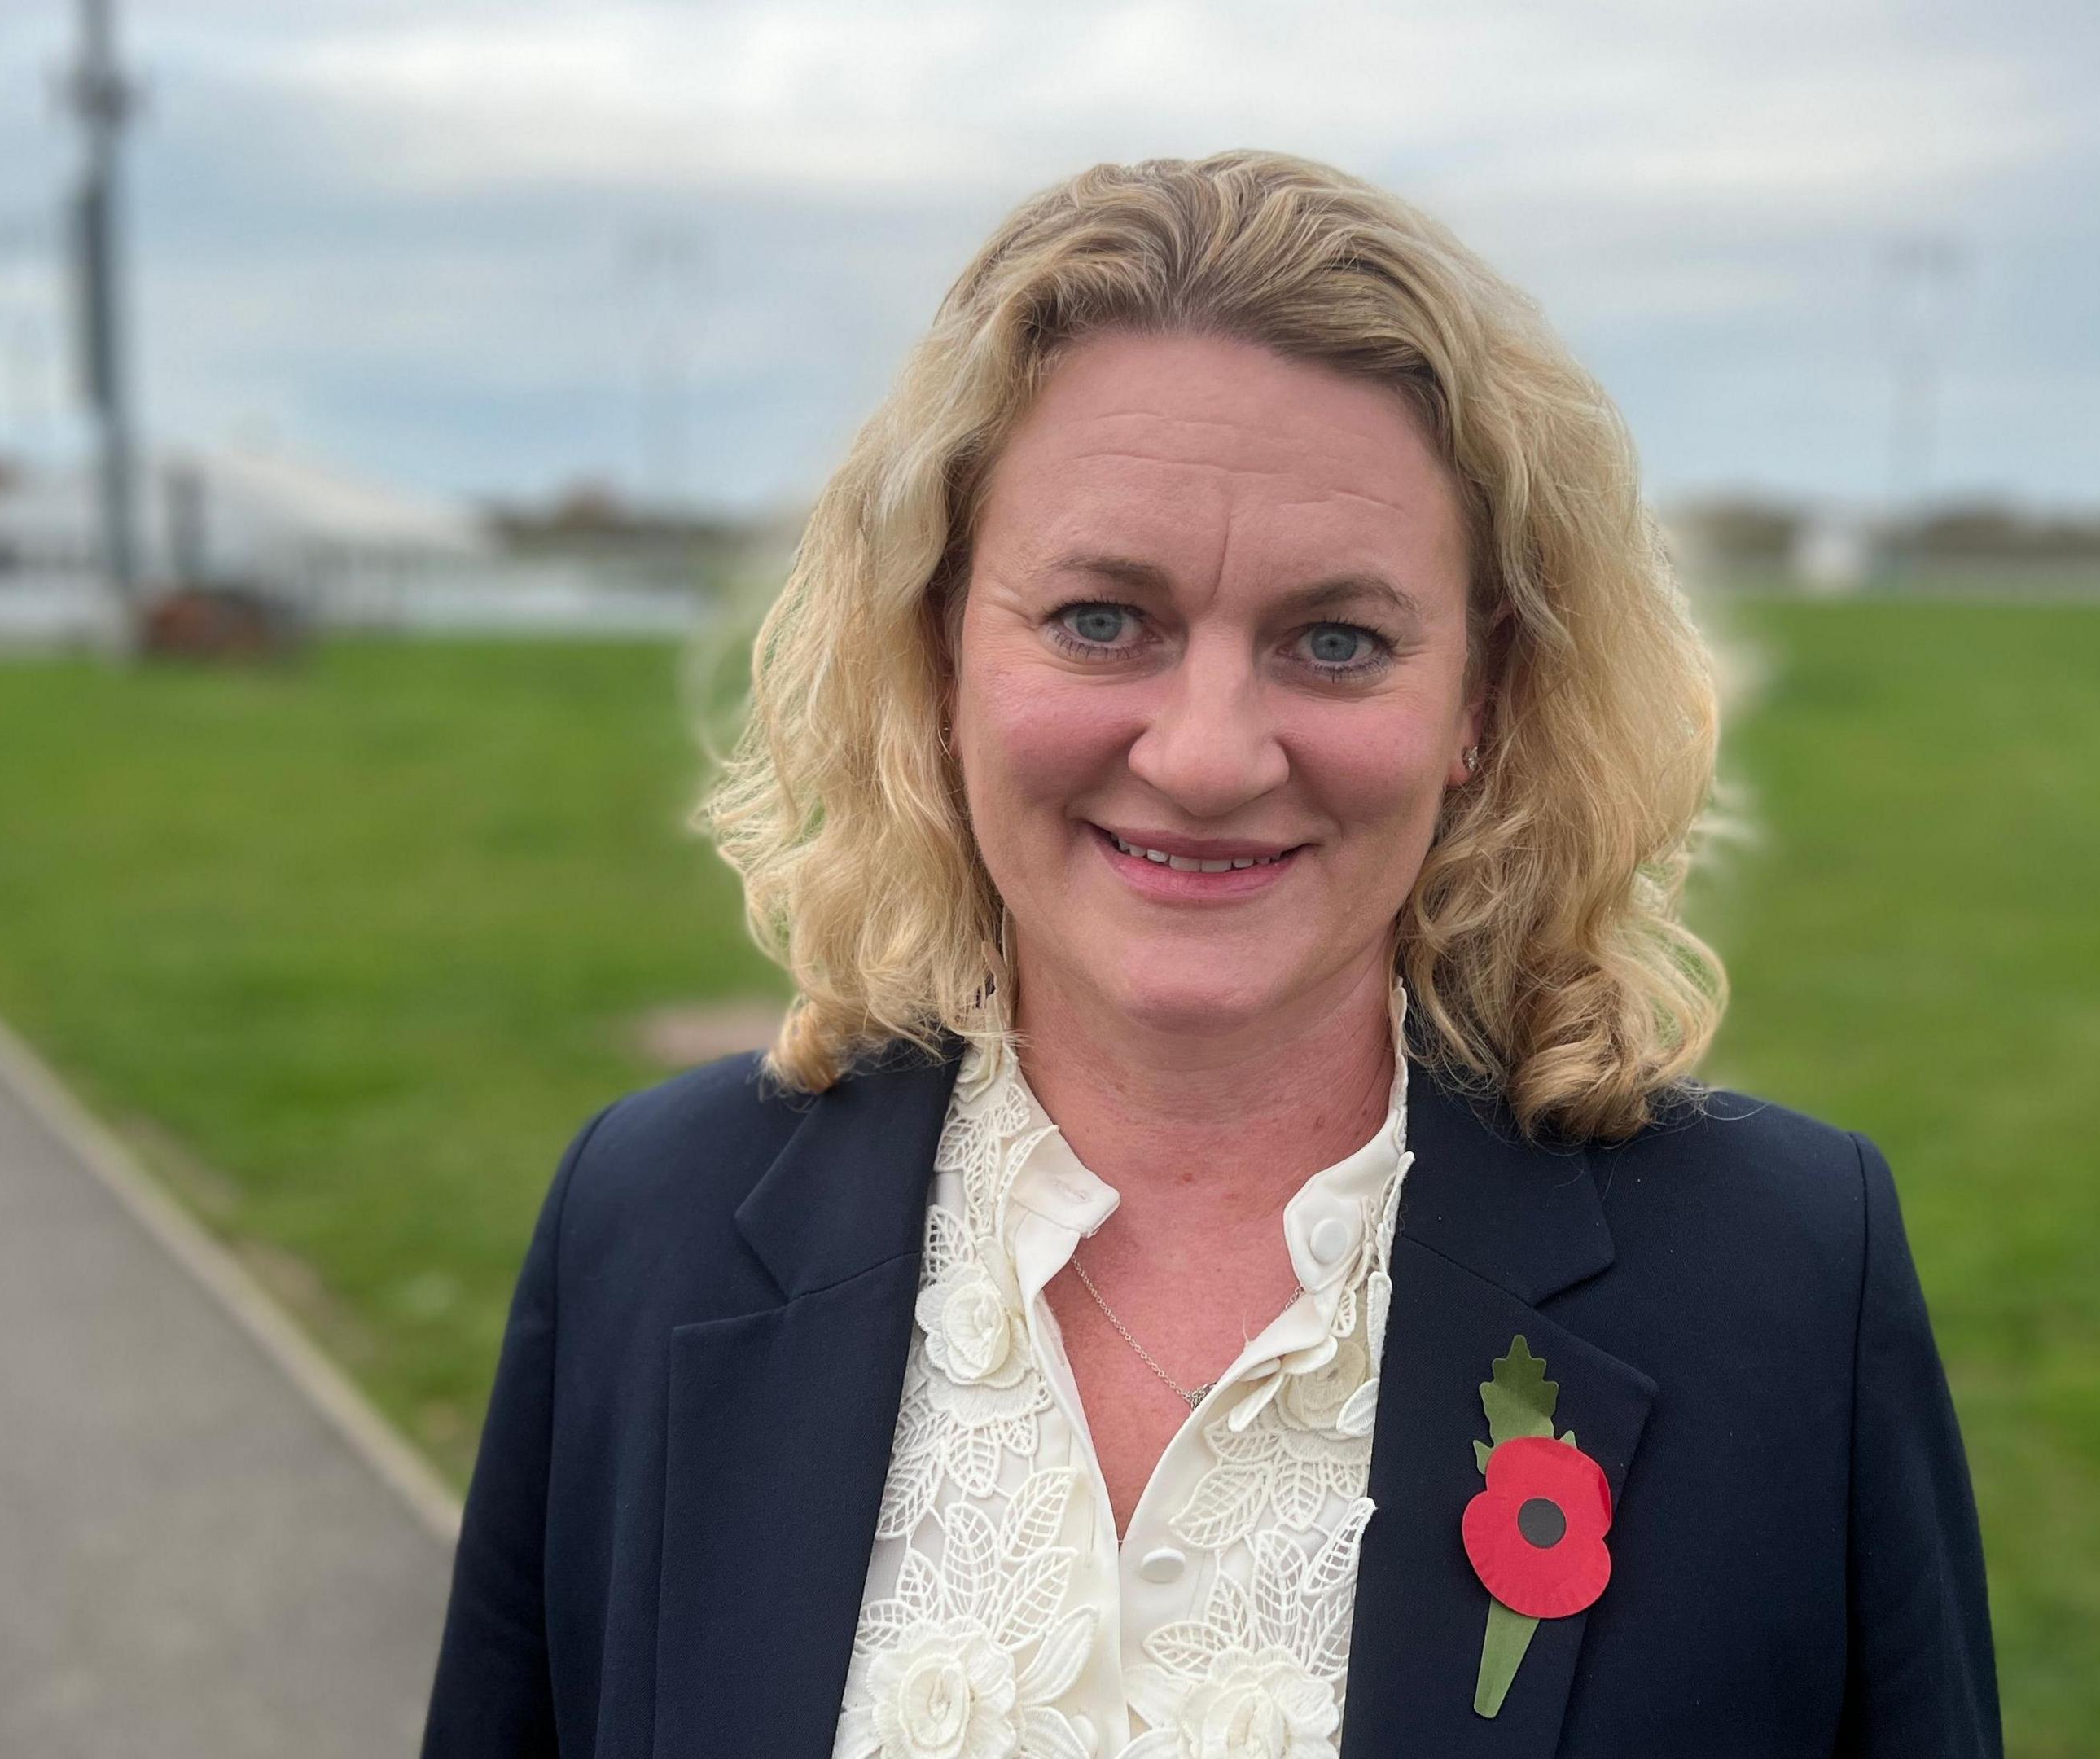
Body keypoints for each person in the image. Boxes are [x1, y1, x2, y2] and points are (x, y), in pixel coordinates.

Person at [423, 151, 1998, 1759]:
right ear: (936, 645)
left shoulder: (1783, 1281)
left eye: (1338, 640)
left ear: (1479, 701)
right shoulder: (648, 1227)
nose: (1206, 756)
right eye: (1103, 620)